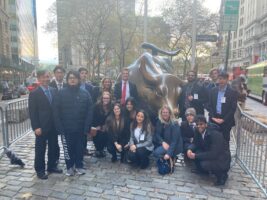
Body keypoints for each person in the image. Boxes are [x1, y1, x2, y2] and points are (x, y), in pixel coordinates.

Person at [53, 70, 93, 176]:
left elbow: (90, 111)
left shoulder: (85, 93)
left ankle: (79, 166)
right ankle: (69, 167)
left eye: (74, 78)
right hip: (66, 129)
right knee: (68, 149)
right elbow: (56, 111)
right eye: (70, 78)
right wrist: (59, 127)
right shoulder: (61, 93)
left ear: (78, 80)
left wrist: (87, 127)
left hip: (80, 128)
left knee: (80, 148)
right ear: (67, 80)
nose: (72, 80)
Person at [29, 70, 62, 180]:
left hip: (53, 125)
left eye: (47, 77)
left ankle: (52, 166)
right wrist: (36, 127)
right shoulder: (34, 93)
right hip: (41, 127)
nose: (46, 79)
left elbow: (57, 108)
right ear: (38, 79)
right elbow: (32, 112)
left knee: (53, 147)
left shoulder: (53, 90)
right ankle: (40, 170)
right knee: (40, 149)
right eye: (43, 77)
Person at [187, 115, 231, 186]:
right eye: (197, 124)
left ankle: (222, 176)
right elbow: (195, 143)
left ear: (206, 124)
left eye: (201, 124)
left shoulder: (215, 134)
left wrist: (196, 156)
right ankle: (203, 171)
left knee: (204, 163)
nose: (199, 126)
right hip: (209, 152)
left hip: (221, 159)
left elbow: (214, 154)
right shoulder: (197, 131)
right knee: (194, 151)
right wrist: (189, 149)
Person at [208, 71, 238, 146]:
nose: (221, 80)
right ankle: (215, 157)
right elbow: (210, 105)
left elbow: (233, 108)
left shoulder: (232, 92)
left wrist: (223, 119)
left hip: (226, 121)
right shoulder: (213, 91)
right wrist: (213, 117)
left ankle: (225, 157)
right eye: (220, 78)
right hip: (214, 120)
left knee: (225, 141)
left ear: (227, 79)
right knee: (213, 140)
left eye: (223, 79)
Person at [49, 65, 67, 167]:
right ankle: (55, 158)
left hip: (65, 118)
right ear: (54, 74)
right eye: (57, 72)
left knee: (67, 139)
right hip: (53, 118)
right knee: (53, 141)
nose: (59, 74)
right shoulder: (50, 85)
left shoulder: (67, 85)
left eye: (61, 72)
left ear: (64, 74)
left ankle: (69, 156)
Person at [79, 67, 97, 156]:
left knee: (85, 131)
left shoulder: (90, 87)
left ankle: (84, 148)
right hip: (77, 112)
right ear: (79, 74)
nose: (84, 75)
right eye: (82, 73)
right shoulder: (75, 85)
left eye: (85, 73)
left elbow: (92, 100)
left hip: (86, 112)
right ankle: (78, 148)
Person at [92, 91, 112, 158]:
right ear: (102, 99)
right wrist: (98, 127)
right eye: (104, 98)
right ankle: (98, 149)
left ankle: (102, 148)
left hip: (108, 126)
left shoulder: (112, 107)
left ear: (110, 99)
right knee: (98, 134)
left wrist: (106, 126)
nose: (106, 100)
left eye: (107, 98)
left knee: (105, 134)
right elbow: (93, 117)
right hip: (97, 126)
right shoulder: (96, 106)